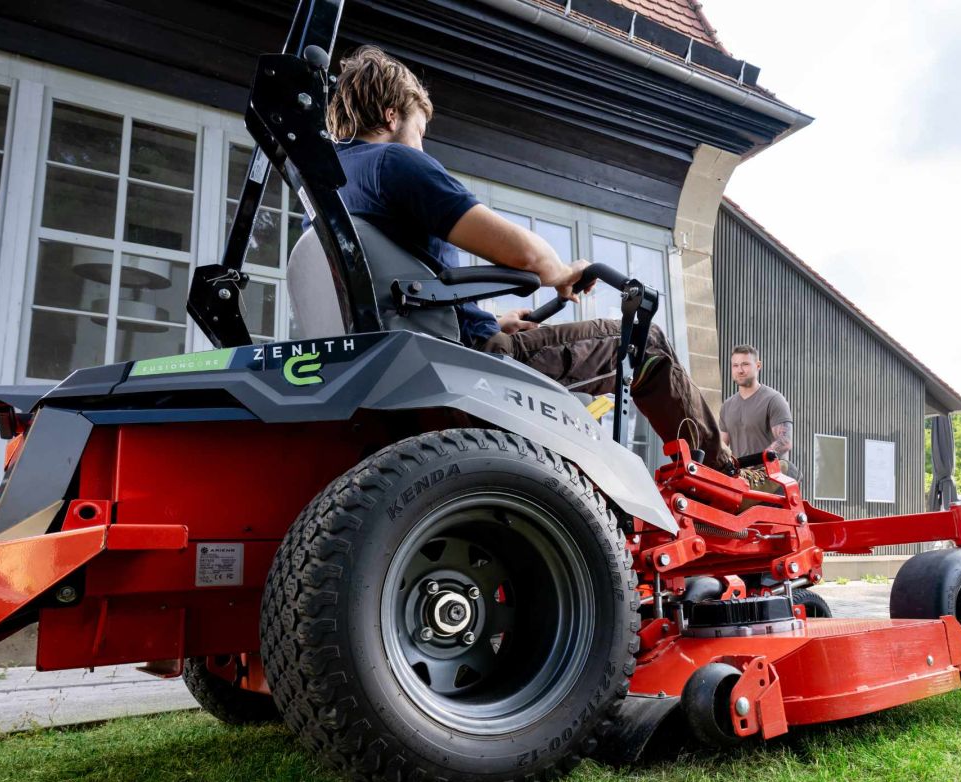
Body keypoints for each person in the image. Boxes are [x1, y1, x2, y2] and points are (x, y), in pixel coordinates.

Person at [323, 46, 731, 471]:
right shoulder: (394, 161)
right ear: (391, 116)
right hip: (474, 361)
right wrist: (559, 272)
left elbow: (386, 296)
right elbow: (524, 254)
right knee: (648, 344)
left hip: (415, 358)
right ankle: (722, 481)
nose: (421, 146)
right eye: (420, 131)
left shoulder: (333, 182)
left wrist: (491, 321)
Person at [719, 344, 795, 478]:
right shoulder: (727, 406)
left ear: (758, 366)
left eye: (745, 364)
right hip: (741, 480)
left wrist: (756, 461)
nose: (740, 370)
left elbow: (785, 441)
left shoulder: (774, 399)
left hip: (771, 481)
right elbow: (721, 445)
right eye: (735, 366)